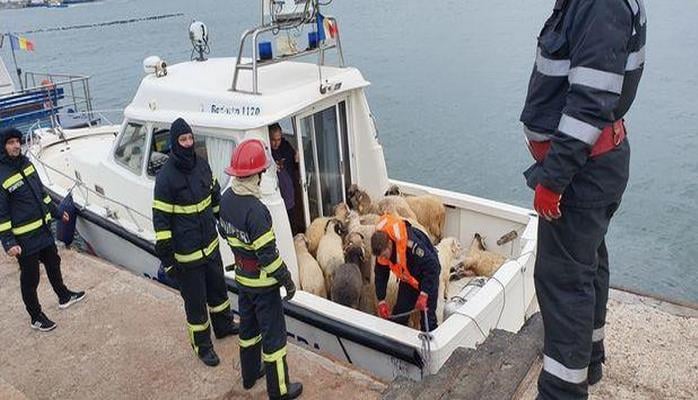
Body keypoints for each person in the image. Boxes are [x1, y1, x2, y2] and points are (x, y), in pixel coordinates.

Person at [520, 1, 646, 398]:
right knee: (587, 265)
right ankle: (588, 361)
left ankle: (561, 391)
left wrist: (553, 182)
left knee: (564, 283)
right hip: (595, 167)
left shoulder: (599, 4)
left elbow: (589, 105)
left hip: (581, 175)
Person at [219, 138, 302, 399]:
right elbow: (268, 256)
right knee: (274, 338)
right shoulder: (256, 210)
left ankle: (249, 374)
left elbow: (224, 233)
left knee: (248, 330)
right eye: (262, 172)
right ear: (255, 175)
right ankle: (280, 390)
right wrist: (287, 280)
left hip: (243, 280)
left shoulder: (227, 199)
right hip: (264, 285)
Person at [152, 117, 238, 367]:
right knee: (196, 304)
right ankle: (202, 346)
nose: (188, 143)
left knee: (218, 292)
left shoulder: (202, 165)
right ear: (174, 143)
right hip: (187, 257)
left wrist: (221, 219)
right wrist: (168, 261)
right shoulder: (166, 179)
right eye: (183, 139)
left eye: (190, 138)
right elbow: (162, 224)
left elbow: (213, 195)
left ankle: (223, 326)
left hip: (210, 247)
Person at [0, 127, 85, 332]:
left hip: (43, 231)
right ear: (3, 147)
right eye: (11, 142)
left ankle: (64, 296)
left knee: (53, 263)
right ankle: (35, 316)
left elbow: (42, 193)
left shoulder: (28, 164)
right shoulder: (1, 175)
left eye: (18, 142)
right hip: (24, 238)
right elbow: (1, 214)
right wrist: (9, 242)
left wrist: (56, 212)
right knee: (31, 278)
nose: (16, 146)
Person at [371, 214, 440, 332]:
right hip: (409, 280)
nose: (384, 258)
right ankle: (396, 344)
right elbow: (380, 274)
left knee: (427, 320)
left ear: (389, 244)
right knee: (400, 314)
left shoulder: (412, 245)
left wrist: (424, 293)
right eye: (380, 256)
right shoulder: (382, 252)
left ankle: (430, 341)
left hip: (427, 277)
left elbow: (433, 267)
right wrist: (381, 300)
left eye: (384, 255)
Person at [268, 123, 301, 233]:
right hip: (277, 199)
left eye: (279, 139)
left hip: (290, 195)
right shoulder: (266, 152)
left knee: (293, 226)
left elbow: (294, 165)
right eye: (273, 139)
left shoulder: (286, 147)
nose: (276, 143)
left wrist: (297, 161)